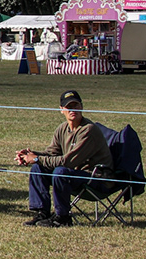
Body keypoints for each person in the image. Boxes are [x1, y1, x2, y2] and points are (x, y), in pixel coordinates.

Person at [14, 89, 112, 227]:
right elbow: (52, 153)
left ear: (82, 106)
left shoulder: (89, 130)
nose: (72, 110)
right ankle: (42, 213)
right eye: (68, 107)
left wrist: (36, 158)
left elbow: (68, 161)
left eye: (75, 105)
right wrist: (30, 155)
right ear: (61, 109)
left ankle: (63, 217)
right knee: (38, 168)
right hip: (75, 174)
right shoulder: (62, 128)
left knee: (60, 172)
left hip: (96, 178)